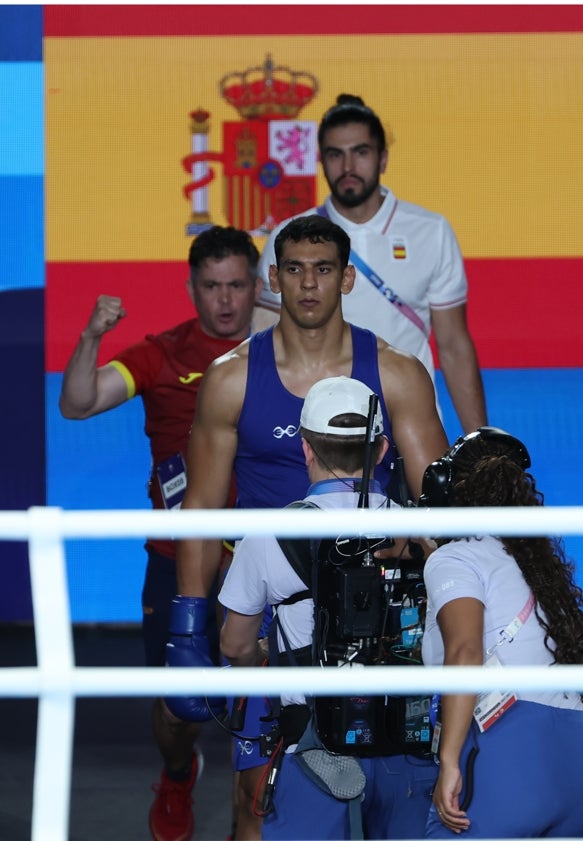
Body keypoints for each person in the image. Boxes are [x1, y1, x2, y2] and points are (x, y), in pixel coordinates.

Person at [174, 214, 449, 838]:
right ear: (274, 277)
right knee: (256, 802)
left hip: (375, 624)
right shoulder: (232, 378)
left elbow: (443, 506)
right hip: (271, 617)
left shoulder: (398, 372)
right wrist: (188, 627)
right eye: (294, 269)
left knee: (397, 801)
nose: (308, 285)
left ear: (347, 278)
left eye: (323, 269)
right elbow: (202, 508)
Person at [58, 225, 261, 841]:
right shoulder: (161, 353)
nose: (224, 300)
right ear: (191, 289)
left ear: (256, 286)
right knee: (176, 710)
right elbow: (79, 402)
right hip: (178, 556)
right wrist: (92, 336)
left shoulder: (287, 351)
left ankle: (245, 821)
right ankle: (178, 773)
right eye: (211, 287)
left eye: (236, 285)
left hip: (262, 556)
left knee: (260, 701)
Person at [219, 375, 437, 839]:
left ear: (306, 449)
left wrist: (265, 650)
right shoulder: (424, 537)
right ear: (380, 451)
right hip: (411, 754)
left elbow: (234, 645)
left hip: (314, 755)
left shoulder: (266, 537)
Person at [257, 93, 488, 434]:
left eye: (360, 152)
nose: (348, 167)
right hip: (316, 435)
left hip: (411, 427)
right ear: (321, 160)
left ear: (383, 158)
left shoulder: (430, 231)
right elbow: (264, 342)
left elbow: (453, 346)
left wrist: (479, 441)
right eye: (336, 155)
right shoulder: (289, 238)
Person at [419, 427, 583, 838]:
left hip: (508, 747)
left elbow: (466, 650)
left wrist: (449, 760)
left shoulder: (453, 558)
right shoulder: (534, 565)